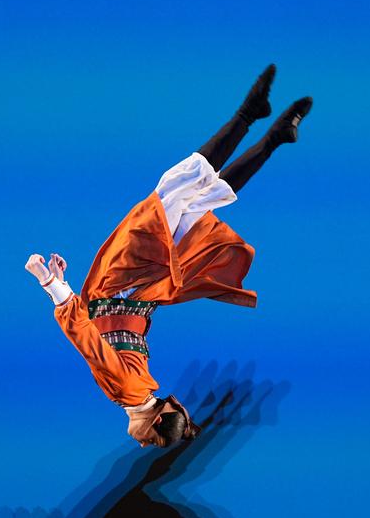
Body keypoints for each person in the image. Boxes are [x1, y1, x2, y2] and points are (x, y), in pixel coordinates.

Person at [25, 64, 311, 447]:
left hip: (143, 291)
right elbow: (86, 340)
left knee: (194, 205)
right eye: (150, 439)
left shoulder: (142, 385)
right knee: (172, 193)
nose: (142, 441)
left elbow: (102, 332)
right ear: (154, 421)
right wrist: (50, 285)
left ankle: (274, 138)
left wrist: (62, 285)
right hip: (124, 280)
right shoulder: (128, 390)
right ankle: (247, 115)